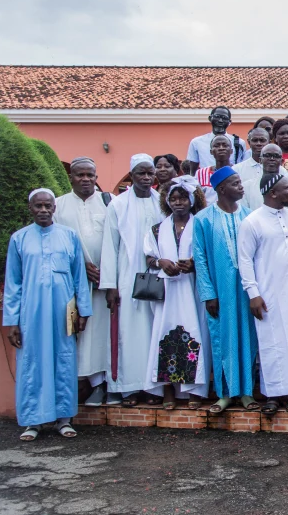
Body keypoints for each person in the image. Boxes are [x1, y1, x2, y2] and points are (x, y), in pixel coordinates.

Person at [4, 189, 92, 441]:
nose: (43, 210)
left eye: (47, 206)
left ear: (54, 208)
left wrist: (83, 312)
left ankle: (64, 420)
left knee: (64, 361)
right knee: (32, 363)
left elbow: (79, 278)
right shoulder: (19, 239)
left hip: (64, 312)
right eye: (38, 206)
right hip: (30, 314)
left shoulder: (69, 236)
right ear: (30, 209)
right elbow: (13, 283)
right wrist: (12, 321)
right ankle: (33, 421)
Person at [237, 174, 288, 415]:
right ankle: (272, 394)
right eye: (287, 189)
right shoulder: (252, 222)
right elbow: (244, 260)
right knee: (271, 343)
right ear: (272, 193)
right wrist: (253, 293)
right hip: (267, 293)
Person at [192, 167, 259, 413]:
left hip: (246, 290)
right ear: (221, 189)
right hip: (219, 292)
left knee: (248, 338)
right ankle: (224, 393)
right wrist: (208, 294)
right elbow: (199, 258)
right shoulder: (203, 219)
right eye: (236, 183)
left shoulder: (250, 216)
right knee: (222, 339)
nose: (241, 187)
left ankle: (247, 393)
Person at [100, 154, 162, 406]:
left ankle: (154, 389)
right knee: (128, 331)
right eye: (140, 173)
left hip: (156, 277)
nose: (146, 178)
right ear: (131, 176)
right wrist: (111, 285)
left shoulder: (162, 202)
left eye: (150, 173)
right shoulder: (118, 205)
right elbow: (109, 247)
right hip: (126, 276)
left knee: (154, 331)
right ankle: (128, 388)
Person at [143, 177, 211, 409]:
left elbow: (209, 254)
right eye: (173, 198)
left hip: (192, 290)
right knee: (165, 335)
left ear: (192, 200)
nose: (178, 202)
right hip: (168, 292)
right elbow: (149, 257)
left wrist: (194, 264)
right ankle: (168, 390)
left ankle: (195, 391)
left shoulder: (201, 224)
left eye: (182, 198)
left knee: (195, 334)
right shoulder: (157, 228)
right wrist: (161, 262)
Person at [53, 158, 113, 406]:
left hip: (105, 283)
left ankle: (104, 383)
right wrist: (80, 268)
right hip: (72, 284)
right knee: (79, 333)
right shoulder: (58, 206)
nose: (86, 179)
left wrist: (108, 273)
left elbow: (117, 242)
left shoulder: (109, 202)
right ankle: (83, 384)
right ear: (71, 177)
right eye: (80, 175)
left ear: (97, 177)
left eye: (90, 174)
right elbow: (54, 243)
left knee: (102, 334)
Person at [234, 143, 288, 213]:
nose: (272, 159)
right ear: (260, 160)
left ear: (282, 161)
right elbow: (244, 215)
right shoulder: (247, 187)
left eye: (276, 156)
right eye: (267, 155)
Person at [187, 106, 243, 171]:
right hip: (206, 180)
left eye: (224, 118)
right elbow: (193, 172)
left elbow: (241, 167)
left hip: (230, 179)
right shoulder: (196, 142)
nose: (220, 120)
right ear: (210, 118)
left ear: (229, 122)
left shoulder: (238, 142)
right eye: (217, 116)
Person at [194, 134, 232, 205]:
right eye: (216, 146)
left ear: (231, 151)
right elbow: (197, 199)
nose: (221, 148)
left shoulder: (238, 170)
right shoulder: (200, 173)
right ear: (211, 151)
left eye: (225, 145)